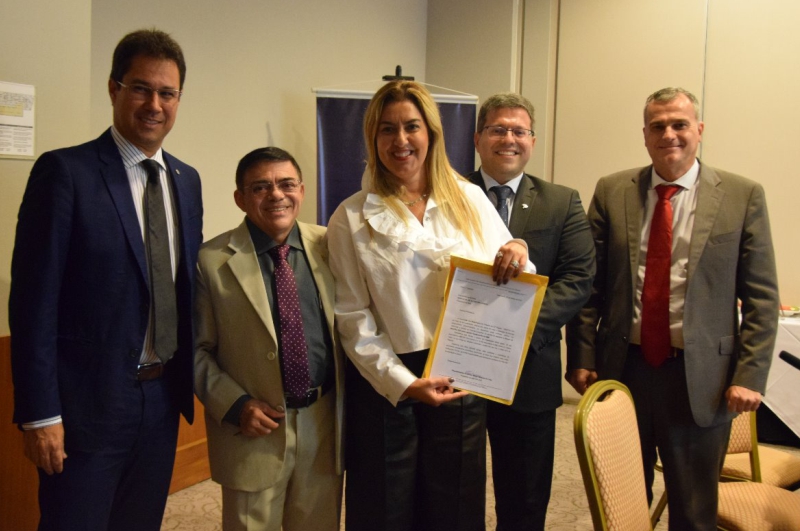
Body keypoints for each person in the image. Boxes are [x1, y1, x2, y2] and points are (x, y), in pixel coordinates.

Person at [9, 29, 203, 531]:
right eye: (141, 89)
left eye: (167, 93)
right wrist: (40, 414)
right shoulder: (65, 173)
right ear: (115, 89)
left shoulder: (186, 180)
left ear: (179, 99)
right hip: (85, 409)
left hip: (162, 401)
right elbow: (33, 303)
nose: (154, 105)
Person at [566, 87, 779, 531]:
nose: (669, 135)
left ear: (699, 130)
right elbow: (590, 286)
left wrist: (749, 375)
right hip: (625, 368)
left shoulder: (742, 195)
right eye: (658, 126)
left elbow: (761, 298)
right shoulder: (612, 191)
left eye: (679, 124)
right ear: (644, 135)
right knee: (621, 500)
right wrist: (582, 354)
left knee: (694, 511)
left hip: (702, 378)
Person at [326, 80, 534, 531]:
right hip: (388, 384)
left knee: (455, 506)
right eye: (387, 129)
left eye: (411, 127)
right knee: (387, 509)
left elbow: (514, 275)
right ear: (372, 138)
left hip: (460, 372)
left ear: (432, 133)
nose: (400, 140)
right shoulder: (351, 217)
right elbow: (353, 318)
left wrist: (517, 249)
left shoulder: (470, 199)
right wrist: (402, 383)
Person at [194, 147, 344, 531]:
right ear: (240, 198)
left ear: (302, 191)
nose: (276, 194)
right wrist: (234, 405)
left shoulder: (332, 245)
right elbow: (196, 351)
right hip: (253, 429)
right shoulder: (210, 260)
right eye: (260, 187)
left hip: (323, 422)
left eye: (286, 184)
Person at [467, 93, 595, 531]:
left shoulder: (561, 201)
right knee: (455, 493)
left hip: (531, 369)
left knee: (524, 498)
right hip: (459, 369)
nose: (509, 138)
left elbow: (577, 279)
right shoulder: (449, 195)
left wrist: (513, 330)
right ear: (478, 139)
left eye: (519, 131)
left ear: (532, 141)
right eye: (497, 129)